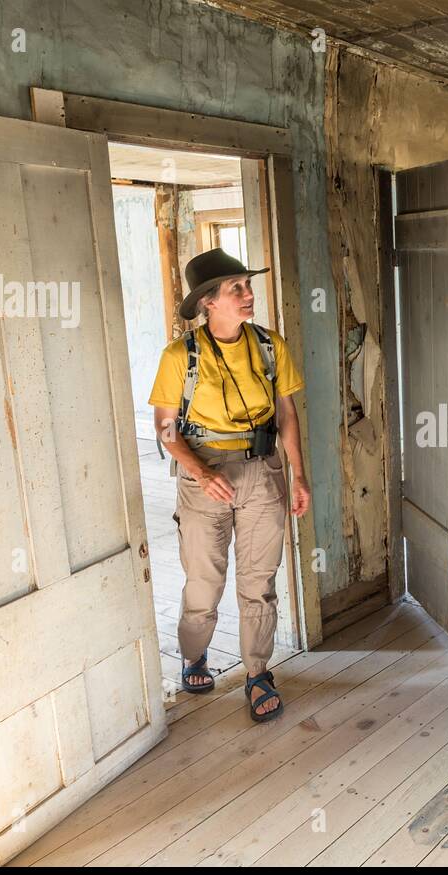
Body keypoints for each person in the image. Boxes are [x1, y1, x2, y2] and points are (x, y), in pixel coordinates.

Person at [148, 248, 311, 722]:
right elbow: (164, 430)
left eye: (247, 284)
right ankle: (194, 655)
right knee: (205, 578)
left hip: (262, 469)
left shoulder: (268, 345)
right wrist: (200, 472)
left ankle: (258, 673)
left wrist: (299, 475)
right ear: (208, 302)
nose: (247, 293)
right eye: (235, 288)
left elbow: (286, 414)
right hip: (205, 474)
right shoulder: (180, 356)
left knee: (259, 582)